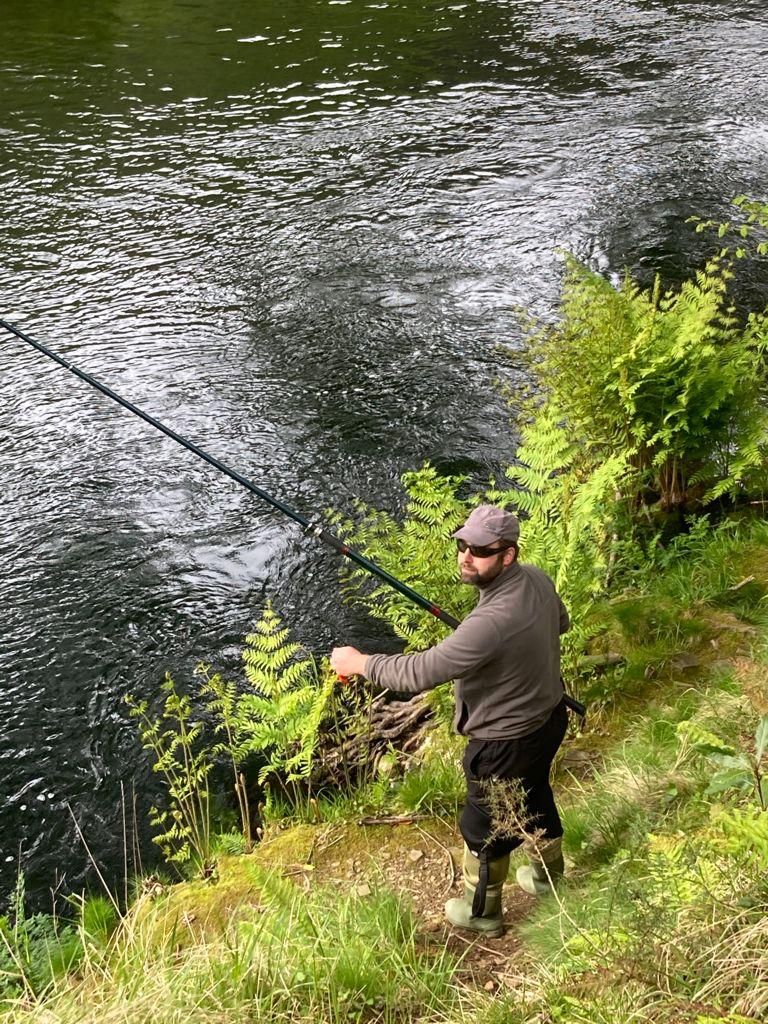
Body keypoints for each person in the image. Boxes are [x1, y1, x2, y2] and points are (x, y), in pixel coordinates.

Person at [330, 504, 570, 937]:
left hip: (503, 744)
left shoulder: (490, 623)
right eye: (462, 544)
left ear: (508, 555)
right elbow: (561, 623)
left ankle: (483, 915)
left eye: (480, 550)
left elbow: (421, 672)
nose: (466, 556)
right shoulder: (536, 579)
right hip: (549, 719)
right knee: (536, 795)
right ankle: (547, 880)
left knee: (484, 829)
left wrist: (360, 662)